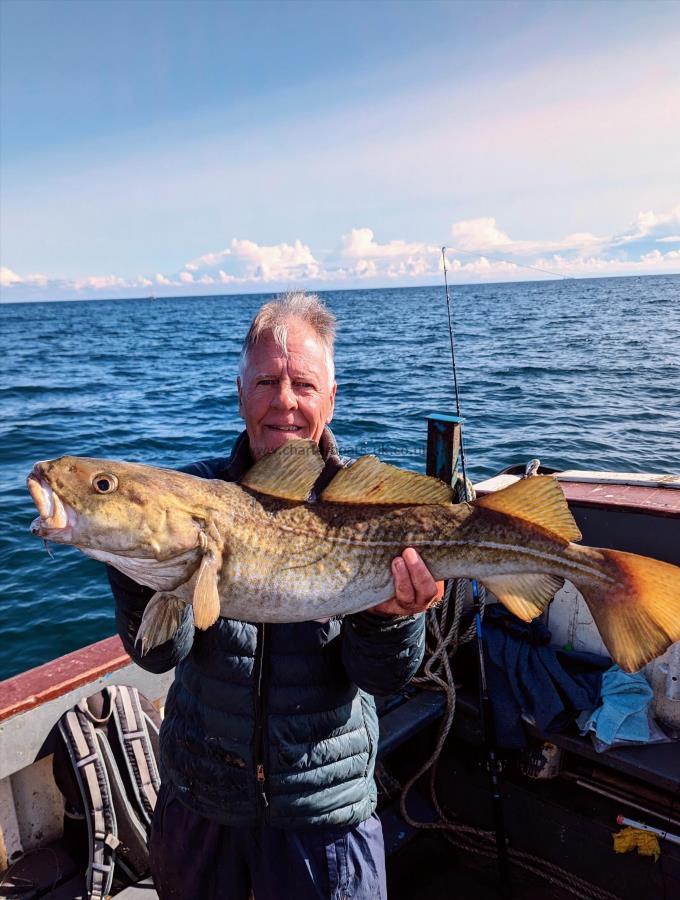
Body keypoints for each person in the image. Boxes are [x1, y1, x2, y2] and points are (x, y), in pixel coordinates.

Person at [109, 292, 442, 899]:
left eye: (303, 384)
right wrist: (141, 565)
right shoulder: (196, 494)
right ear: (240, 394)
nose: (283, 401)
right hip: (202, 802)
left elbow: (386, 676)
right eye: (265, 381)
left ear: (331, 399)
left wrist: (389, 620)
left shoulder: (375, 513)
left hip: (324, 816)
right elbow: (160, 655)